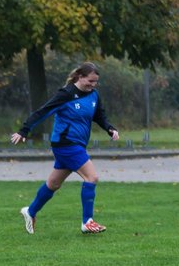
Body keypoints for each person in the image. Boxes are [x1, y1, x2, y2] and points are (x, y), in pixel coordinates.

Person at [10, 61, 120, 234]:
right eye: (90, 81)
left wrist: (110, 128)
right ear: (80, 77)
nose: (93, 85)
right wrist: (24, 130)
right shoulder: (66, 94)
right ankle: (87, 222)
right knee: (92, 177)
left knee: (53, 184)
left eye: (95, 82)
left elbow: (99, 116)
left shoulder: (94, 95)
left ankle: (30, 211)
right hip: (65, 144)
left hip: (77, 145)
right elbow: (42, 112)